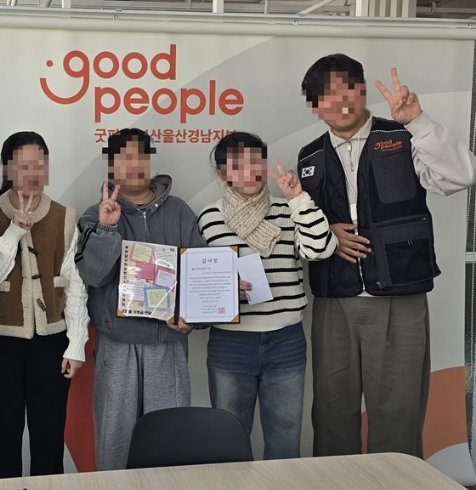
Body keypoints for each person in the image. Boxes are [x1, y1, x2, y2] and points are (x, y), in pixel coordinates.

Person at [297, 54, 476, 457]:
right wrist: (328, 233)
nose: (339, 101)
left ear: (362, 90)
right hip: (334, 300)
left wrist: (418, 122)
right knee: (332, 412)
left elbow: (462, 175)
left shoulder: (404, 136)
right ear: (314, 106)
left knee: (397, 413)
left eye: (347, 88)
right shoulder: (309, 156)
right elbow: (304, 222)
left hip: (398, 296)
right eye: (326, 95)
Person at [197, 132, 337, 459]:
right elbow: (199, 282)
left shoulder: (289, 209)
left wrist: (299, 199)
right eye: (238, 165)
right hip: (230, 342)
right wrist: (223, 287)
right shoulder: (209, 217)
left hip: (286, 340)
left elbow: (321, 249)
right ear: (223, 175)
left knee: (285, 438)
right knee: (228, 439)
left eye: (255, 162)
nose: (249, 171)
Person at [75, 128, 207, 471]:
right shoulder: (94, 214)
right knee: (115, 439)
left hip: (168, 344)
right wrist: (107, 229)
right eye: (124, 157)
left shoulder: (179, 211)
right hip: (117, 344)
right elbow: (92, 276)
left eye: (141, 156)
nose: (134, 164)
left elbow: (199, 272)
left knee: (169, 441)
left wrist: (194, 317)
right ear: (111, 165)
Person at [0, 131, 89, 478]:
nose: (33, 173)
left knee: (49, 434)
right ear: (7, 169)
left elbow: (75, 285)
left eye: (39, 164)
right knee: (2, 434)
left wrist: (76, 344)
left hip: (51, 342)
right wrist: (13, 232)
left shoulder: (65, 216)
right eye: (23, 165)